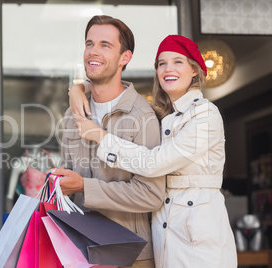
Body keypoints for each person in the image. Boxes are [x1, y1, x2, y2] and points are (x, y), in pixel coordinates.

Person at [61, 35, 238, 268]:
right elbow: (102, 83)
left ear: (194, 70)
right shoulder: (163, 115)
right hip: (164, 234)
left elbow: (153, 164)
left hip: (199, 237)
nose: (168, 69)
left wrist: (100, 136)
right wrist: (77, 88)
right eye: (162, 63)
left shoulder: (205, 115)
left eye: (177, 62)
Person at [47, 15, 165, 268]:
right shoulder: (73, 112)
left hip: (129, 254)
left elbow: (151, 195)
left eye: (105, 45)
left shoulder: (141, 116)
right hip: (79, 251)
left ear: (125, 58)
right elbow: (71, 172)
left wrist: (83, 187)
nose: (93, 52)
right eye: (89, 43)